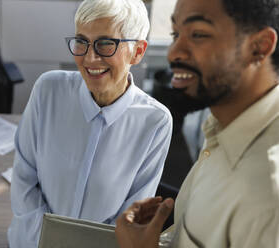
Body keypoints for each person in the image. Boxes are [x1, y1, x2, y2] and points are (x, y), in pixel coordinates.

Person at [7, 0, 173, 247]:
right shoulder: (48, 90)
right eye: (82, 42)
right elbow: (24, 179)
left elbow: (129, 219)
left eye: (106, 44)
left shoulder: (155, 122)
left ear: (137, 52)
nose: (90, 58)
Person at [115, 0, 279, 247]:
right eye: (175, 34)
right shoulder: (222, 124)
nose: (173, 53)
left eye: (198, 34)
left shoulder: (266, 193)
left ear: (259, 47)